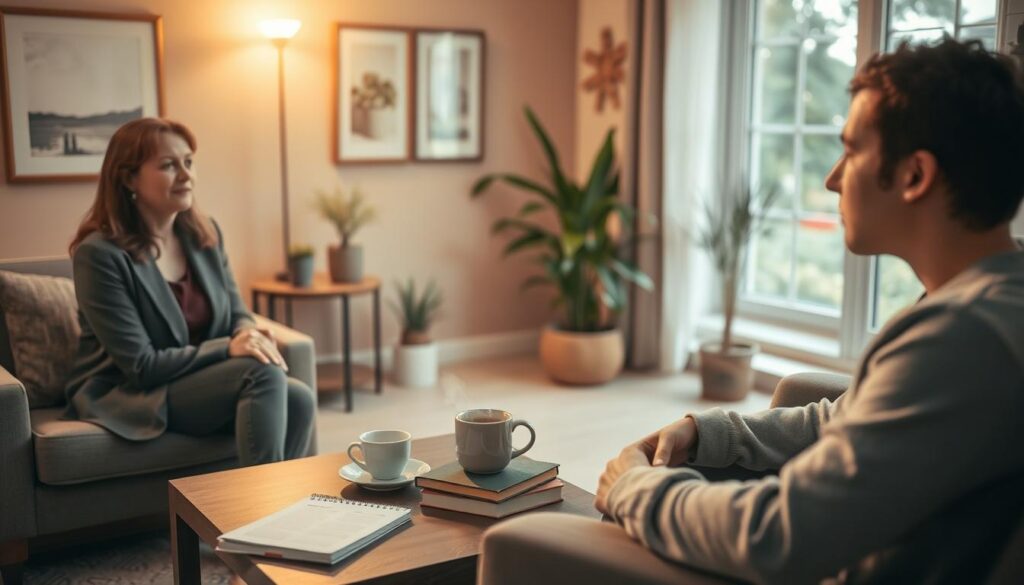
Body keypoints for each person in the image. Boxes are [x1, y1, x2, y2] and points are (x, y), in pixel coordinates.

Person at [482, 39, 1024, 584]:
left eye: (853, 150)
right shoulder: (980, 299)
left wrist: (634, 488)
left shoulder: (962, 338)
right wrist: (709, 431)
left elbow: (779, 537)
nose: (832, 178)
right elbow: (851, 421)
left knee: (518, 542)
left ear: (914, 176)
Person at [65, 117, 315, 465]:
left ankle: (291, 506)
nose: (185, 175)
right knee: (261, 373)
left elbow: (237, 311)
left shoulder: (204, 234)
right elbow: (142, 365)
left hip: (197, 380)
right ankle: (262, 515)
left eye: (188, 162)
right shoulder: (100, 255)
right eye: (168, 165)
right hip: (135, 392)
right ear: (127, 178)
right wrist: (228, 348)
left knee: (299, 397)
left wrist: (246, 333)